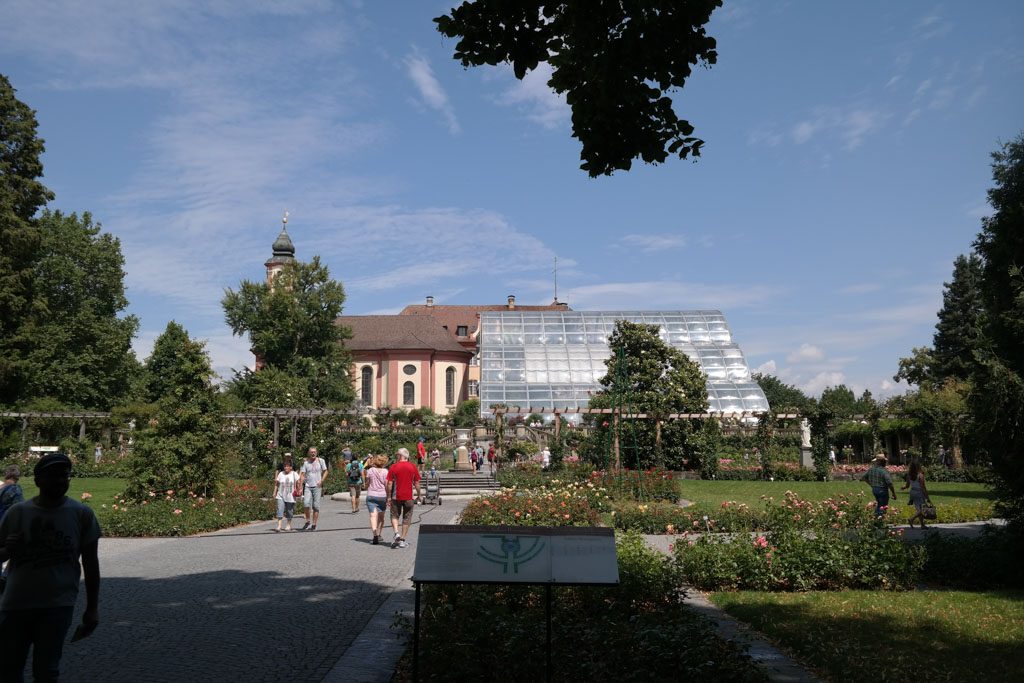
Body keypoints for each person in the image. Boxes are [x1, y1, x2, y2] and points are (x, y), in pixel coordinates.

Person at [0, 453, 101, 681]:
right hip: (16, 603)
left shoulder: (82, 514)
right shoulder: (18, 513)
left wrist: (93, 608)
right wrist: (7, 550)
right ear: (37, 481)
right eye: (52, 476)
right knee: (8, 668)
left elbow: (91, 564)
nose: (59, 481)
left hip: (57, 604)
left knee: (46, 670)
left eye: (64, 476)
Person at [386, 448, 421, 549]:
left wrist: (388, 496)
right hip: (409, 497)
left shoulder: (393, 467)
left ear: (400, 456)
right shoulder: (413, 467)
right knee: (407, 517)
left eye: (397, 455)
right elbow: (417, 483)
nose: (396, 456)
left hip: (396, 497)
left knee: (394, 515)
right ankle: (402, 540)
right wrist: (419, 495)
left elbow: (389, 483)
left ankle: (396, 533)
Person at [298, 447, 329, 531]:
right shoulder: (306, 463)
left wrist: (322, 480)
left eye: (314, 452)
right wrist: (300, 487)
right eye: (311, 452)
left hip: (317, 486)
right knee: (306, 503)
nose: (313, 453)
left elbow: (326, 471)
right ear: (309, 453)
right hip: (308, 486)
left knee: (316, 506)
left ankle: (314, 524)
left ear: (317, 452)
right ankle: (308, 521)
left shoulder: (321, 461)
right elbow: (302, 475)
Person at [861, 453, 897, 518]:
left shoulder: (871, 469)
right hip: (882, 489)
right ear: (883, 462)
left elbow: (863, 478)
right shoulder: (884, 471)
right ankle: (879, 519)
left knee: (879, 504)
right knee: (883, 506)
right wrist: (893, 493)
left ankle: (876, 517)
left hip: (874, 489)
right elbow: (889, 483)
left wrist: (871, 484)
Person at [364, 455, 390, 545]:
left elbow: (367, 482)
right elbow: (387, 485)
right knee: (381, 517)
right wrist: (388, 497)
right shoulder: (386, 472)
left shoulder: (370, 470)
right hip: (382, 496)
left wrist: (366, 486)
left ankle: (374, 535)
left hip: (371, 495)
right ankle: (379, 534)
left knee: (373, 516)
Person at [902, 460, 932, 528]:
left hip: (912, 492)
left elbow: (907, 485)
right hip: (919, 492)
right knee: (923, 509)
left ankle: (922, 525)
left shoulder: (909, 475)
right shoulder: (920, 475)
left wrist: (903, 487)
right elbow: (923, 487)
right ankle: (911, 519)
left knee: (918, 509)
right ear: (918, 467)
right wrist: (927, 497)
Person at [272, 457, 300, 532]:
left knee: (289, 511)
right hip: (280, 495)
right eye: (285, 466)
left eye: (288, 466)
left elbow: (298, 483)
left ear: (291, 467)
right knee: (280, 509)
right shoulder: (281, 474)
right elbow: (276, 484)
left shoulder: (294, 474)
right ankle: (279, 525)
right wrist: (274, 492)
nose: (286, 467)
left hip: (290, 496)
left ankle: (288, 524)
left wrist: (299, 491)